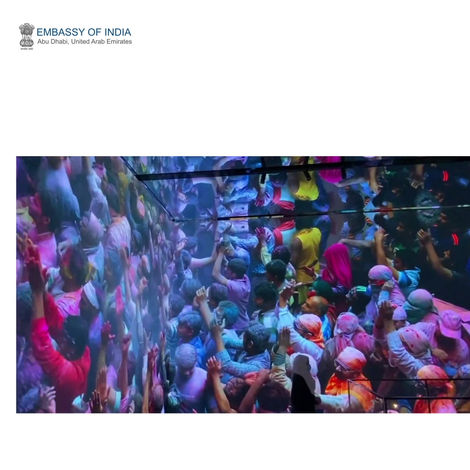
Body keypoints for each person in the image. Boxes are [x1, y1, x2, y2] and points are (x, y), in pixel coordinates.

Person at [212, 247, 251, 333]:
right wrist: (222, 255)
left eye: (228, 270)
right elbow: (228, 265)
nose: (226, 270)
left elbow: (215, 274)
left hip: (237, 326)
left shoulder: (235, 287)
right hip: (244, 321)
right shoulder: (245, 278)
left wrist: (221, 253)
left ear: (234, 274)